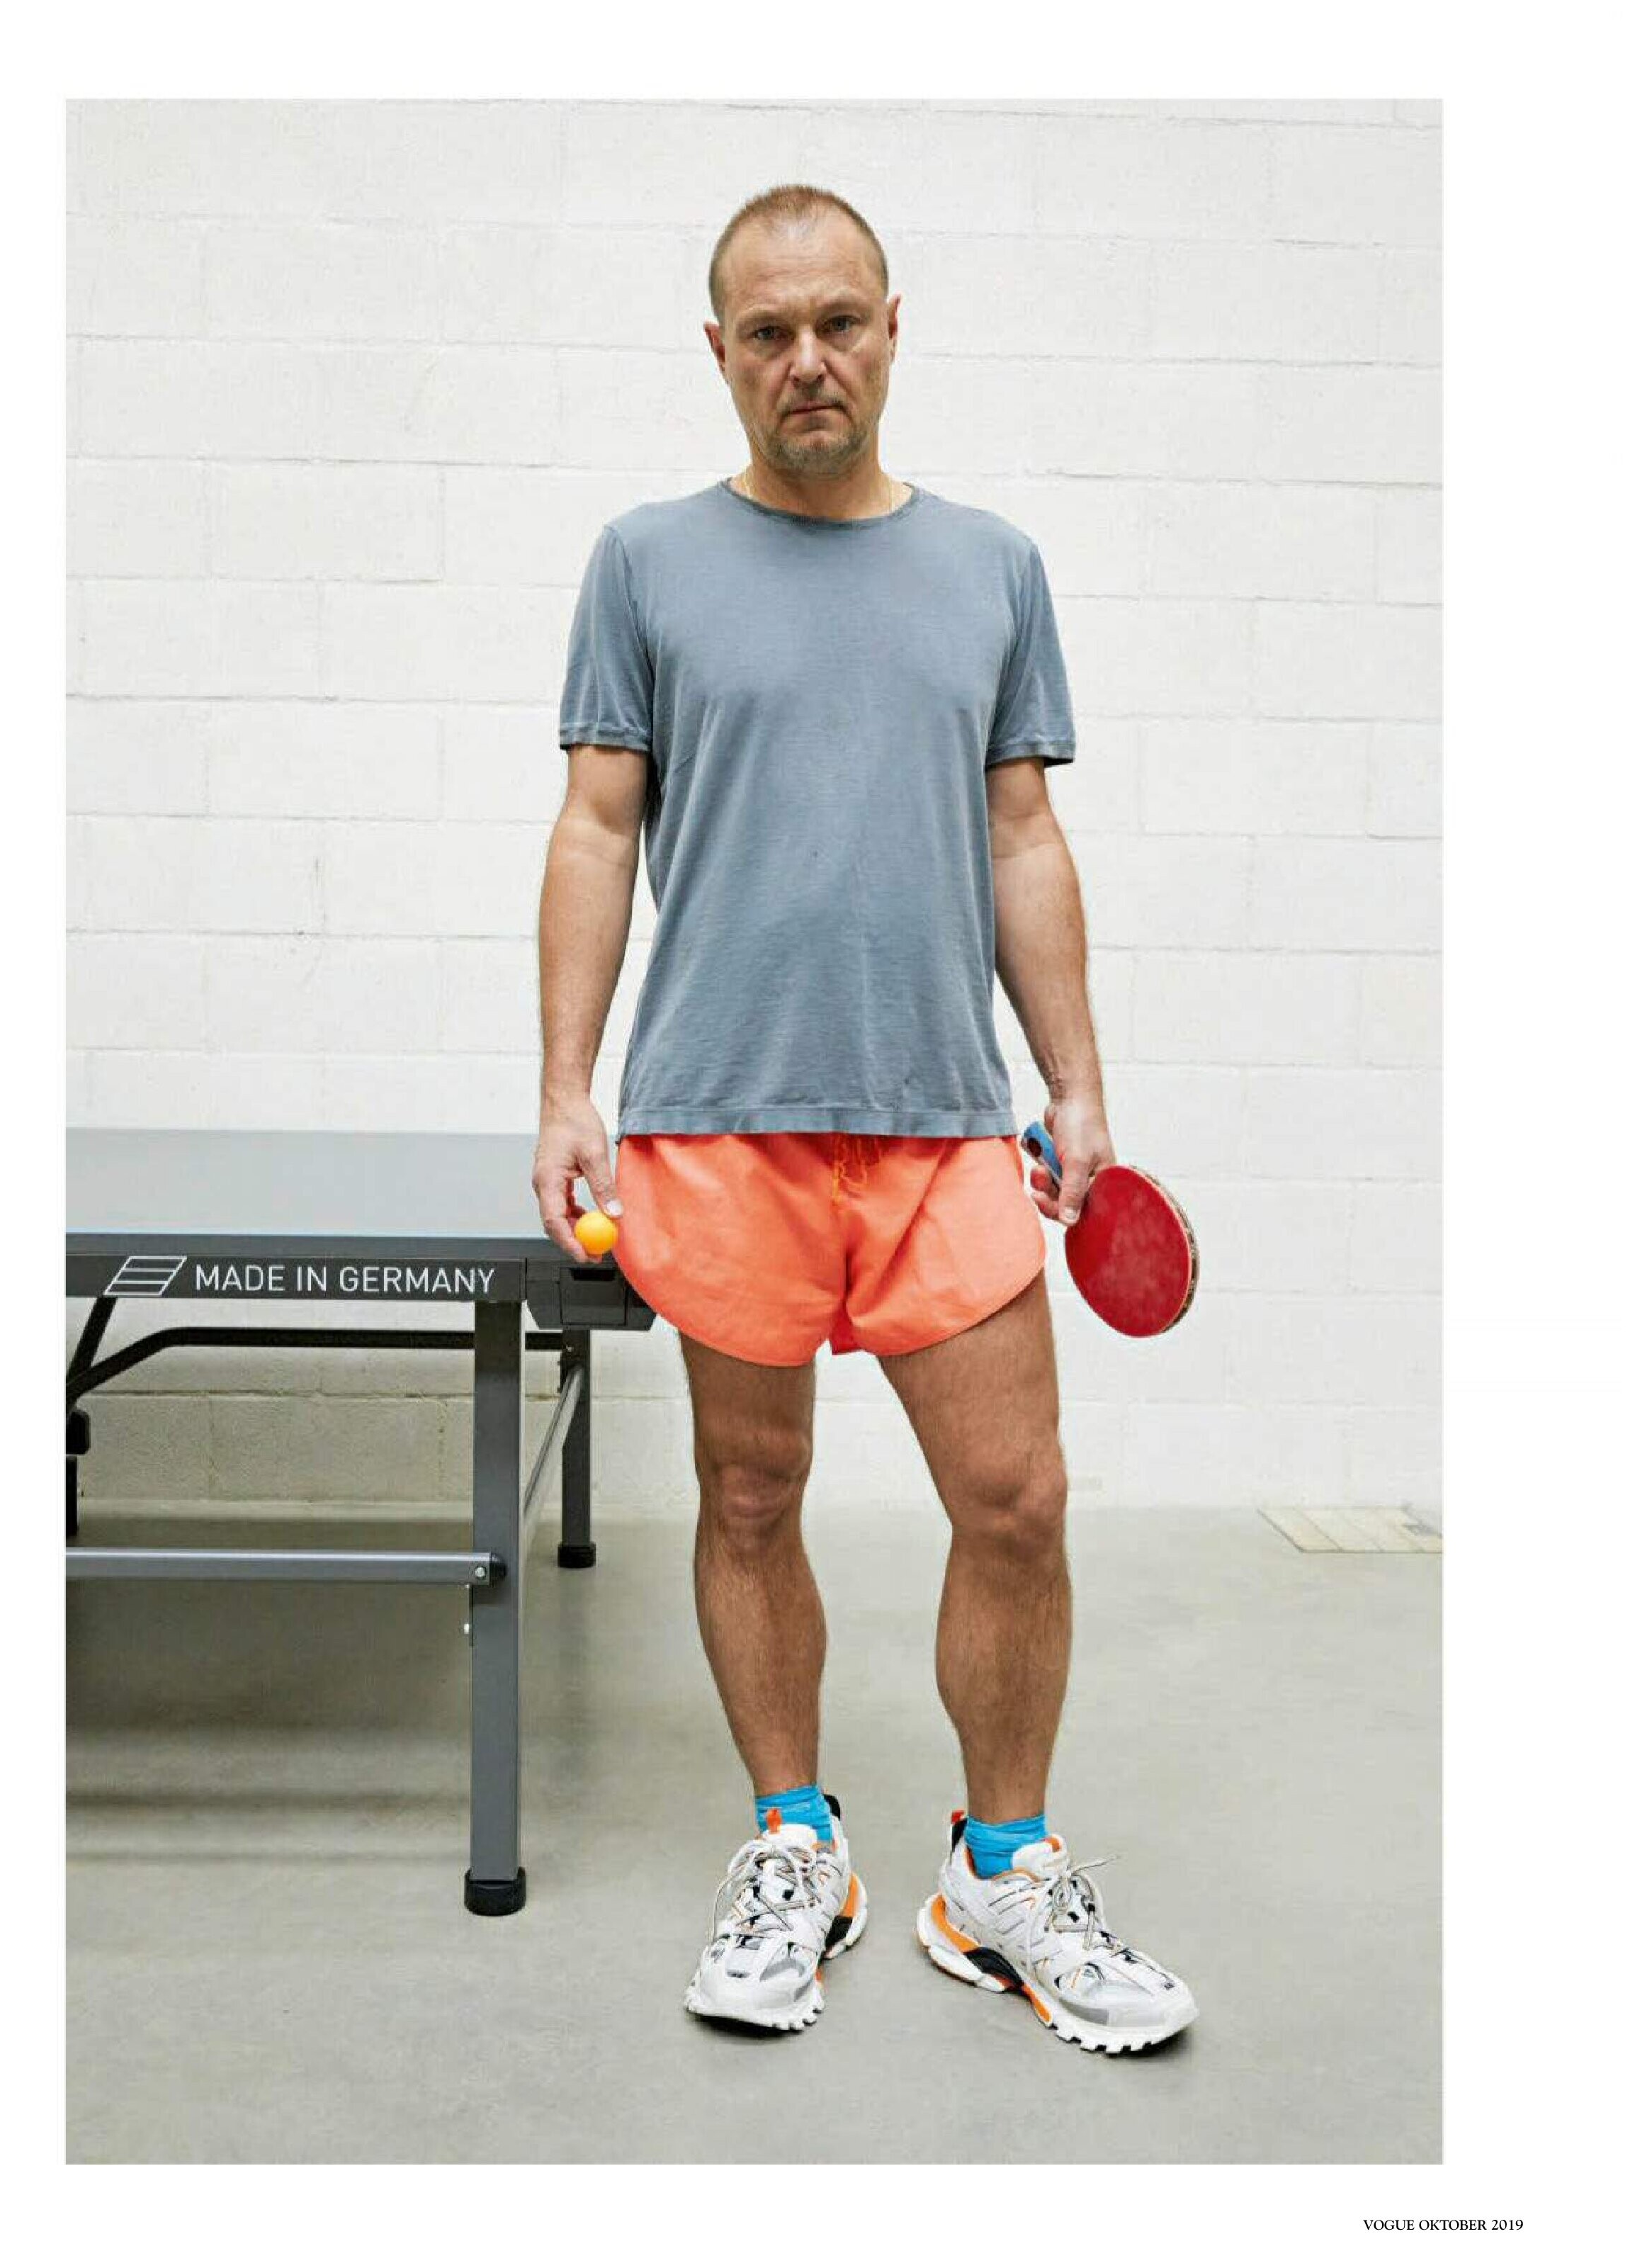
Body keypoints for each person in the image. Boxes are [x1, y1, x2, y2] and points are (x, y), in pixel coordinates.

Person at [532, 184, 1195, 2053]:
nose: (806, 359)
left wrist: (1075, 1080)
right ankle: (794, 1844)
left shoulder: (993, 566)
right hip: (716, 1119)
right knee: (751, 1494)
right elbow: (595, 828)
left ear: (893, 328)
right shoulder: (645, 562)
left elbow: (1022, 838)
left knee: (1019, 1499)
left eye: (838, 322)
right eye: (768, 331)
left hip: (940, 1126)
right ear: (720, 351)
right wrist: (568, 1088)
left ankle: (1000, 1875)